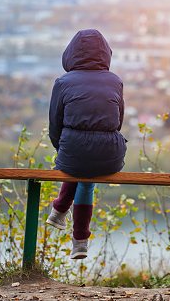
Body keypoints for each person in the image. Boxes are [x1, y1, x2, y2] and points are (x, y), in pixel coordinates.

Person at [46, 29, 127, 259]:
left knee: (79, 162)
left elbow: (55, 124)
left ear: (70, 53)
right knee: (87, 177)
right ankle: (78, 238)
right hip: (109, 154)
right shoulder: (115, 81)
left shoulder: (63, 82)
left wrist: (63, 150)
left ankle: (61, 212)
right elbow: (118, 121)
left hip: (73, 152)